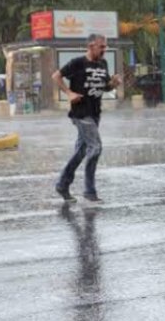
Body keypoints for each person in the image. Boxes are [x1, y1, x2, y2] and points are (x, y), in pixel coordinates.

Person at [53, 34, 121, 203]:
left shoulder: (103, 64)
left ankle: (62, 184)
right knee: (95, 147)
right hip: (81, 113)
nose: (104, 50)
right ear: (91, 46)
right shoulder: (78, 63)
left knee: (81, 151)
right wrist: (69, 93)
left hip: (95, 112)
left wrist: (113, 84)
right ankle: (89, 191)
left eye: (105, 47)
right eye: (101, 47)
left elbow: (105, 87)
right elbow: (56, 76)